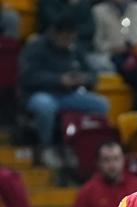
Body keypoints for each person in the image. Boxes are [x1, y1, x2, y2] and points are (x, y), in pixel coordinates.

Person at [18, 16, 109, 164]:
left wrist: (84, 79)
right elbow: (28, 77)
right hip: (39, 93)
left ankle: (80, 144)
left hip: (68, 94)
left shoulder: (75, 47)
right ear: (55, 33)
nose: (68, 42)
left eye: (71, 38)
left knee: (101, 104)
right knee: (45, 106)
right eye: (65, 38)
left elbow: (93, 74)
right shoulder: (36, 47)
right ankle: (46, 147)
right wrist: (58, 80)